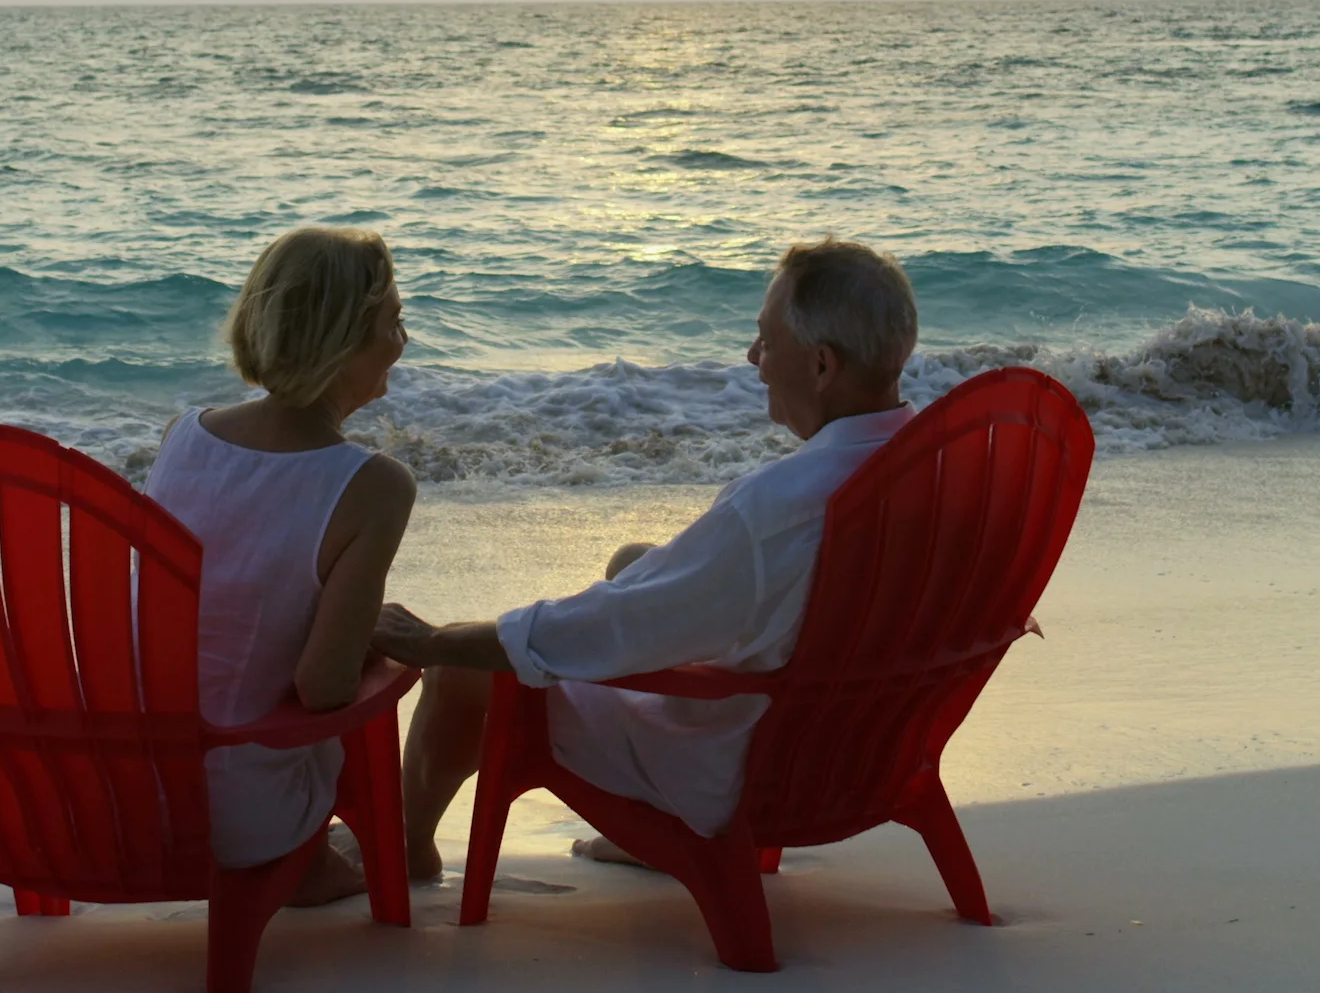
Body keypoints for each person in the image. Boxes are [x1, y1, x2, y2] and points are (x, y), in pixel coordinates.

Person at [376, 237, 917, 878]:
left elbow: (612, 627)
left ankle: (403, 848)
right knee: (634, 562)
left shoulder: (781, 509)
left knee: (461, 673)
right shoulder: (942, 460)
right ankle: (643, 835)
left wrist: (441, 639)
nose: (753, 359)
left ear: (822, 366)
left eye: (766, 342)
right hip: (867, 749)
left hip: (746, 770)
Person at [144, 225, 421, 906]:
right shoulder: (374, 485)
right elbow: (323, 687)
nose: (403, 342)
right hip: (235, 816)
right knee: (374, 674)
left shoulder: (185, 434)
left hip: (127, 786)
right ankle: (311, 862)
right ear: (343, 343)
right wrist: (369, 638)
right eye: (393, 323)